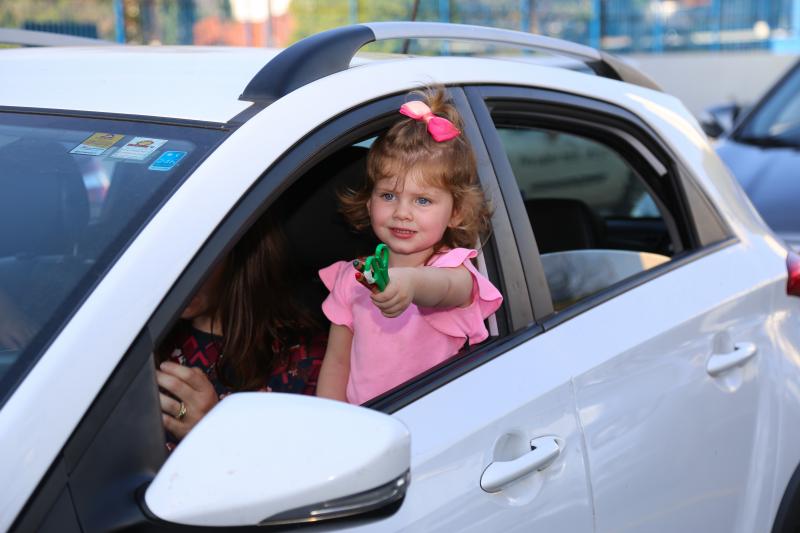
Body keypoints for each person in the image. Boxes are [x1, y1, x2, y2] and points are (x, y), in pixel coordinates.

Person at [316, 86, 503, 404]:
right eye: (388, 195)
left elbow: (446, 288)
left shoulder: (451, 270)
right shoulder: (354, 276)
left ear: (456, 212)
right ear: (369, 200)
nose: (402, 213)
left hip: (431, 431)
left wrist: (410, 283)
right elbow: (337, 364)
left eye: (423, 200)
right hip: (367, 431)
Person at [155, 213, 326, 447]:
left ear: (238, 250)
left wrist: (214, 432)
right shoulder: (141, 339)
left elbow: (303, 468)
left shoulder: (302, 358)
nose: (180, 272)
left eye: (199, 255)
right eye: (166, 253)